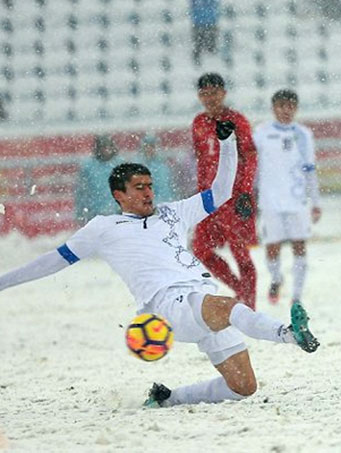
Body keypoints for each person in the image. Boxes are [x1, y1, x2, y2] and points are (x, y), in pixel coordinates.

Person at [0, 121, 319, 407]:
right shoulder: (103, 228)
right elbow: (52, 262)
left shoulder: (173, 212)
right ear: (119, 195)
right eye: (139, 187)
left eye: (150, 185)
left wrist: (226, 144)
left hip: (200, 297)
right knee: (226, 306)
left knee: (243, 387)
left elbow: (220, 192)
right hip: (165, 306)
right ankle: (290, 334)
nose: (148, 192)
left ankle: (167, 399)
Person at [192, 73, 258, 309]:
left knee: (240, 252)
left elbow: (250, 156)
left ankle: (249, 305)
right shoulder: (198, 123)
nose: (210, 98)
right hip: (209, 199)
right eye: (205, 93)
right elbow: (201, 161)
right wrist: (201, 194)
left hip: (233, 197)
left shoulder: (236, 120)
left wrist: (245, 191)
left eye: (214, 92)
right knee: (200, 249)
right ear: (200, 96)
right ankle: (240, 290)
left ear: (223, 93)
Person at [253, 89, 321, 305]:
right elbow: (252, 168)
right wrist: (249, 194)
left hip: (297, 199)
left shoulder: (304, 135)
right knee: (272, 246)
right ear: (273, 108)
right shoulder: (261, 133)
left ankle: (297, 295)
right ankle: (276, 278)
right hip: (270, 200)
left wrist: (316, 202)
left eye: (290, 106)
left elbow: (310, 169)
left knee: (299, 245)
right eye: (281, 106)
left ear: (296, 108)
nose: (286, 110)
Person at [74, 135, 123, 225]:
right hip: (95, 213)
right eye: (103, 147)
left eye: (108, 147)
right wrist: (81, 213)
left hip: (117, 213)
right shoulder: (88, 167)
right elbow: (81, 192)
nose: (106, 150)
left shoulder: (120, 165)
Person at [136, 133, 175, 203]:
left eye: (151, 147)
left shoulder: (161, 166)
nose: (149, 149)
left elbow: (164, 188)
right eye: (146, 146)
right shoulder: (137, 165)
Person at [188, 0, 219, 66]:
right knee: (198, 46)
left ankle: (210, 63)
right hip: (200, 23)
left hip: (208, 23)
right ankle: (198, 62)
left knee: (210, 47)